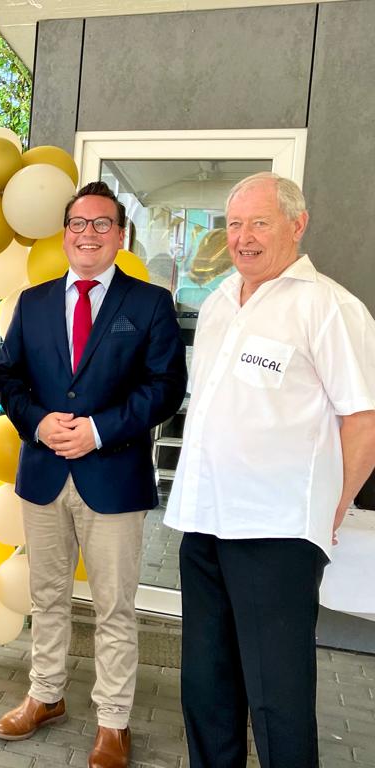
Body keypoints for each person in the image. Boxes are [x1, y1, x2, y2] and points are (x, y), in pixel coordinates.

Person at [164, 172, 375, 768]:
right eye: (234, 224)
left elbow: (363, 420)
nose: (243, 237)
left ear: (296, 224)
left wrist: (331, 509)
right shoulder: (218, 304)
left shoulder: (330, 307)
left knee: (277, 698)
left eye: (259, 222)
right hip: (204, 522)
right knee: (206, 688)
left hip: (276, 532)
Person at [0, 181, 187, 768]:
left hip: (113, 476)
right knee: (47, 597)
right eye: (78, 223)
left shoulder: (149, 304)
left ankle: (113, 722)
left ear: (120, 235)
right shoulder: (35, 300)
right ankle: (45, 695)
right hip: (45, 473)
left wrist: (99, 429)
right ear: (65, 232)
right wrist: (37, 422)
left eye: (102, 224)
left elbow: (165, 389)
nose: (88, 234)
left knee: (114, 607)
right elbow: (8, 377)